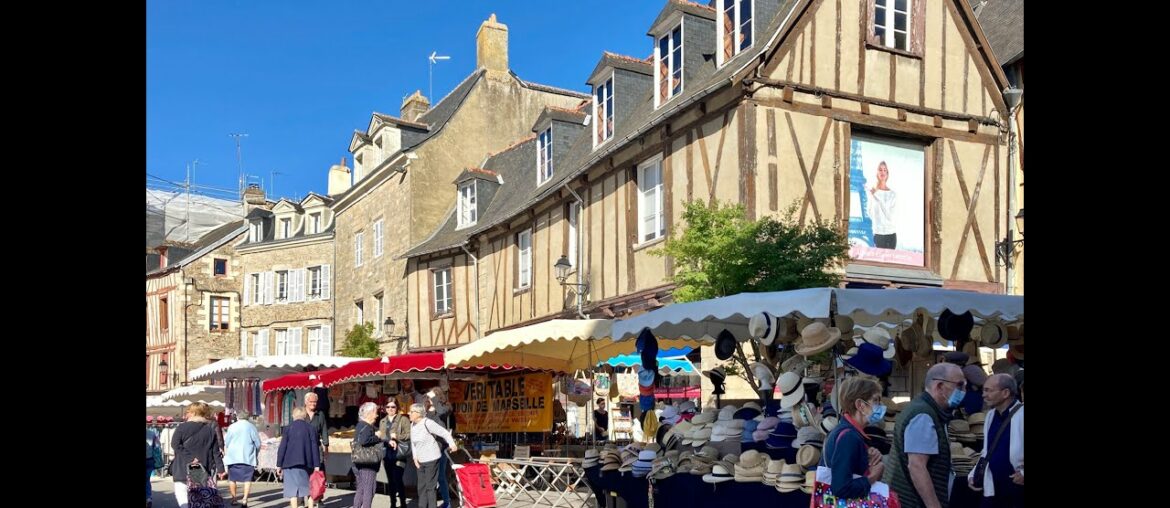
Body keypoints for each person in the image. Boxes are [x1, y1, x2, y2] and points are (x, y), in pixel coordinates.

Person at [886, 363, 963, 508]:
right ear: (940, 386)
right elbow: (917, 466)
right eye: (959, 385)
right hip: (912, 502)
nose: (963, 391)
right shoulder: (923, 415)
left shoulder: (926, 410)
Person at [824, 377, 887, 500]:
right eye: (876, 400)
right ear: (860, 405)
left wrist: (866, 454)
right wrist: (873, 477)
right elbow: (841, 488)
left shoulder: (846, 432)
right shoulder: (849, 437)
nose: (880, 406)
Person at [968, 374, 1023, 508]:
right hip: (993, 488)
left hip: (1018, 490)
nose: (984, 395)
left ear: (1005, 393)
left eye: (988, 390)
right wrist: (973, 474)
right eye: (983, 390)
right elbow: (987, 450)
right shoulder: (990, 416)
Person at [170, 402, 225, 508]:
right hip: (201, 469)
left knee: (183, 498)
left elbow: (175, 444)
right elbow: (216, 452)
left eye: (188, 412)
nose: (186, 414)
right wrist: (221, 469)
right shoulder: (210, 430)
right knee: (199, 500)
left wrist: (190, 458)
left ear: (194, 413)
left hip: (182, 467)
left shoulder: (182, 427)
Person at [410, 403, 458, 508]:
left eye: (411, 411)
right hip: (420, 459)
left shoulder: (428, 423)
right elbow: (413, 443)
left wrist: (452, 444)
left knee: (430, 487)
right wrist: (415, 457)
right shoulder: (412, 424)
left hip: (431, 458)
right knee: (421, 487)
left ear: (418, 413)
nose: (409, 413)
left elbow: (444, 433)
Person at [278, 407, 322, 508]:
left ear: (293, 416)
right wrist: (317, 465)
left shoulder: (287, 428)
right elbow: (314, 447)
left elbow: (282, 447)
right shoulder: (311, 428)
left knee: (293, 491)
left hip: (289, 464)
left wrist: (279, 465)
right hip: (307, 464)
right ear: (305, 416)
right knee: (310, 489)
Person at [224, 411, 262, 507]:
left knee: (232, 479)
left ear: (238, 417)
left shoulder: (232, 427)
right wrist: (256, 452)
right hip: (247, 457)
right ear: (248, 417)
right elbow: (258, 443)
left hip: (233, 457)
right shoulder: (251, 427)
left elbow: (227, 441)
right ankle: (245, 499)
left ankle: (234, 499)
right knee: (247, 479)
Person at [380, 398, 412, 508]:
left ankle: (403, 504)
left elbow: (409, 434)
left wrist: (397, 437)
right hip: (387, 454)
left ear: (397, 408)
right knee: (390, 480)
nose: (390, 409)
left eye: (393, 407)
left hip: (400, 453)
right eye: (388, 407)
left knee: (397, 478)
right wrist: (386, 439)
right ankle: (392, 504)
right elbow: (382, 436)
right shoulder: (382, 421)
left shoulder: (403, 419)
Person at [426, 389, 454, 507]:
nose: (429, 398)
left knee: (441, 475)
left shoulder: (445, 407)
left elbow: (442, 412)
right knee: (430, 476)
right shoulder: (427, 410)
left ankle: (447, 502)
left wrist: (434, 399)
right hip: (428, 446)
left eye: (433, 396)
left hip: (440, 446)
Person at [352, 402, 383, 508]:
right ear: (369, 413)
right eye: (375, 413)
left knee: (361, 489)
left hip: (358, 462)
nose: (377, 415)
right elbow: (365, 440)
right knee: (369, 490)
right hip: (367, 463)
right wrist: (377, 436)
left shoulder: (360, 425)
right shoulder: (366, 426)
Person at [867, 161, 898, 249]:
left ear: (887, 174)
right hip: (878, 233)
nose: (882, 172)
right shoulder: (872, 192)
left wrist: (877, 197)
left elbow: (890, 216)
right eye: (880, 170)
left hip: (891, 234)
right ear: (877, 173)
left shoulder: (892, 194)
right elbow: (869, 212)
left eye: (885, 170)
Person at [147, 425, 161, 508]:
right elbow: (157, 446)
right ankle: (148, 498)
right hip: (149, 459)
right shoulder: (152, 433)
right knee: (147, 480)